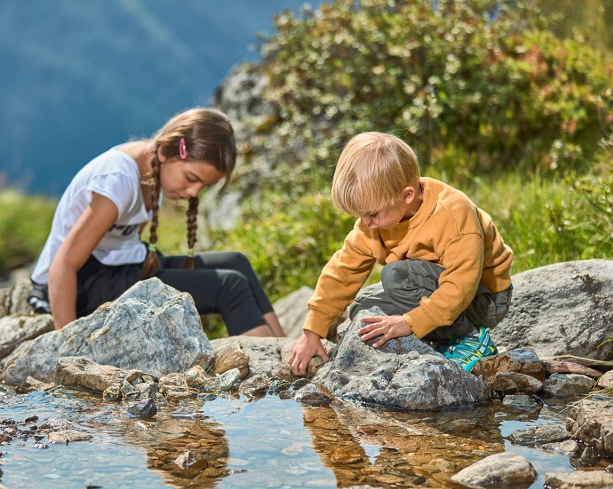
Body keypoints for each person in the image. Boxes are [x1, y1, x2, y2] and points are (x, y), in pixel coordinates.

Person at [28, 108, 285, 337]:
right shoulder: (117, 180)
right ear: (165, 151)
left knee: (236, 262)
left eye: (203, 186)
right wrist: (66, 342)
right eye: (191, 178)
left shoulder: (154, 169)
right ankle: (268, 373)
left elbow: (126, 242)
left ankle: (281, 349)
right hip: (82, 281)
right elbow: (64, 263)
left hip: (116, 267)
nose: (194, 192)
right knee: (229, 286)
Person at [288, 132, 513, 375]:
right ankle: (437, 333)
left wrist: (409, 322)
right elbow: (343, 271)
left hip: (483, 298)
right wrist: (312, 332)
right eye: (360, 215)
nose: (365, 222)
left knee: (395, 275)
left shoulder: (453, 213)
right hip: (435, 288)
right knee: (363, 311)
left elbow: (462, 284)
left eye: (372, 214)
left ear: (406, 195)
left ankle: (470, 339)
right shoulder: (372, 223)